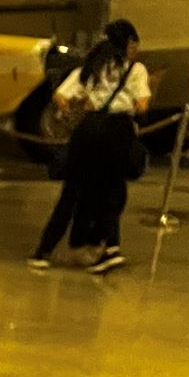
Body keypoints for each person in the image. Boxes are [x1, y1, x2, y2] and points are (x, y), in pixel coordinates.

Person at [28, 19, 150, 275]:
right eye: (135, 45)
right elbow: (142, 106)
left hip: (88, 130)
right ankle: (109, 249)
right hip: (117, 131)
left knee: (72, 191)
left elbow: (60, 97)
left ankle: (43, 252)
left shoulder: (90, 67)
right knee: (112, 190)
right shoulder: (135, 69)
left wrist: (76, 110)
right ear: (129, 43)